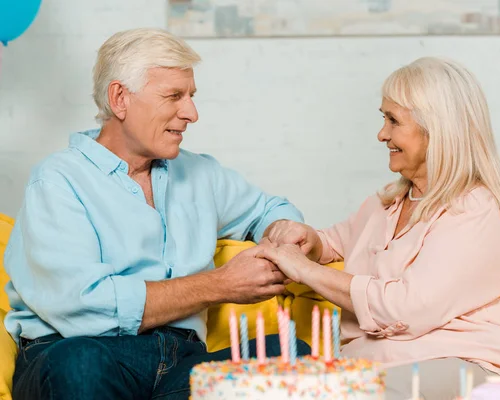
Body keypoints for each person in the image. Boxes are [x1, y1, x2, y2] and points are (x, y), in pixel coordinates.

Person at [4, 28, 309, 400]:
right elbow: (83, 306)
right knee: (81, 361)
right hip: (84, 354)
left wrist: (284, 233)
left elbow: (269, 209)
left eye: (191, 96)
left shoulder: (200, 173)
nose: (191, 113)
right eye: (174, 96)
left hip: (182, 366)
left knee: (287, 355)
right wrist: (220, 285)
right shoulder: (58, 181)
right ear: (120, 98)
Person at [258, 57, 500, 399]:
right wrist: (306, 240)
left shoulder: (475, 209)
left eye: (393, 121)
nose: (381, 134)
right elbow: (333, 243)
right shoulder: (386, 204)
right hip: (378, 368)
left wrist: (304, 270)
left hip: (463, 363)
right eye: (383, 119)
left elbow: (408, 308)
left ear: (437, 129)